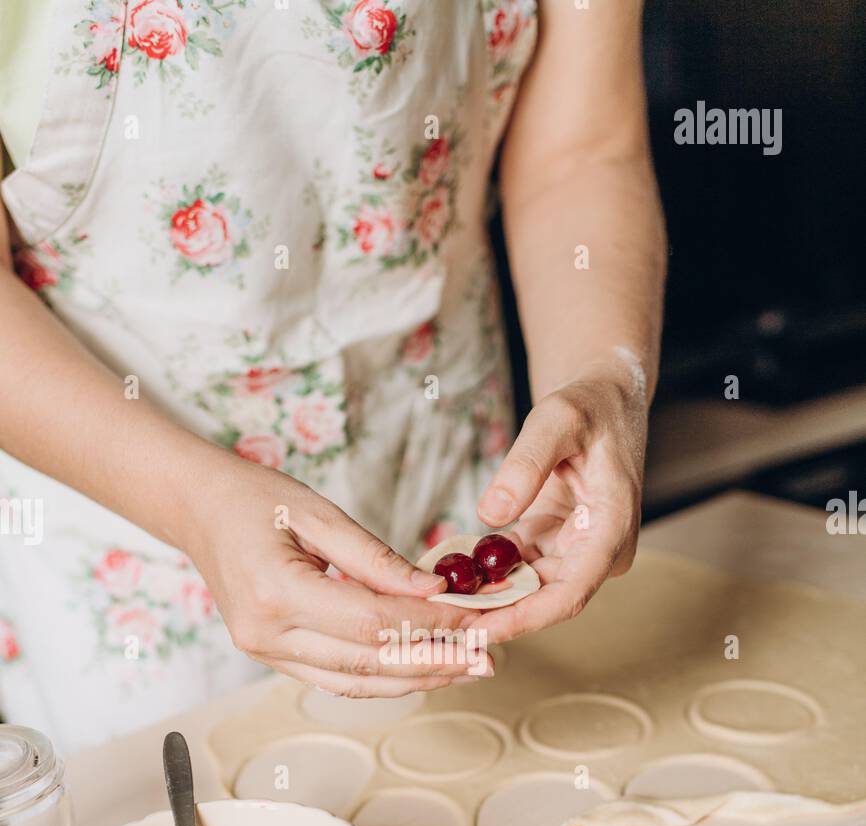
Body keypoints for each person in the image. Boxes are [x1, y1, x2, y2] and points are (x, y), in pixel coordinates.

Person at [0, 0, 664, 752]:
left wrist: (606, 374)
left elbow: (582, 152)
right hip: (131, 541)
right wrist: (192, 502)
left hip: (460, 476)